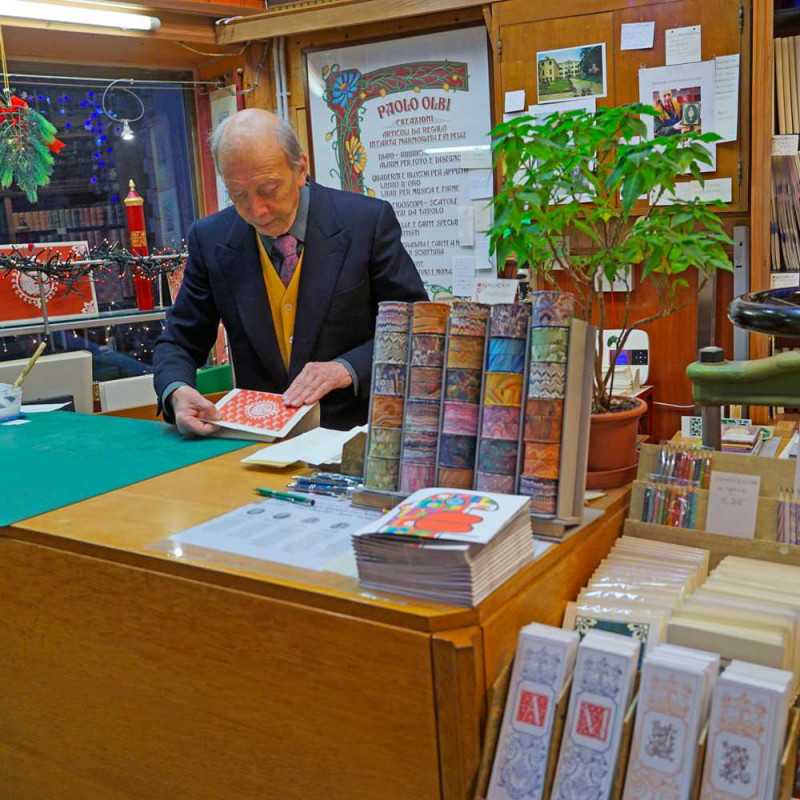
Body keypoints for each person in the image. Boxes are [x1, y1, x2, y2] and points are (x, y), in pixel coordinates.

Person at [154, 109, 427, 435]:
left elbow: (416, 328)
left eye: (269, 189)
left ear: (301, 168)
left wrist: (346, 368)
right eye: (238, 195)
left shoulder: (366, 223)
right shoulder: (211, 239)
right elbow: (179, 341)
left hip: (355, 435)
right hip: (256, 440)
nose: (257, 210)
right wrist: (176, 391)